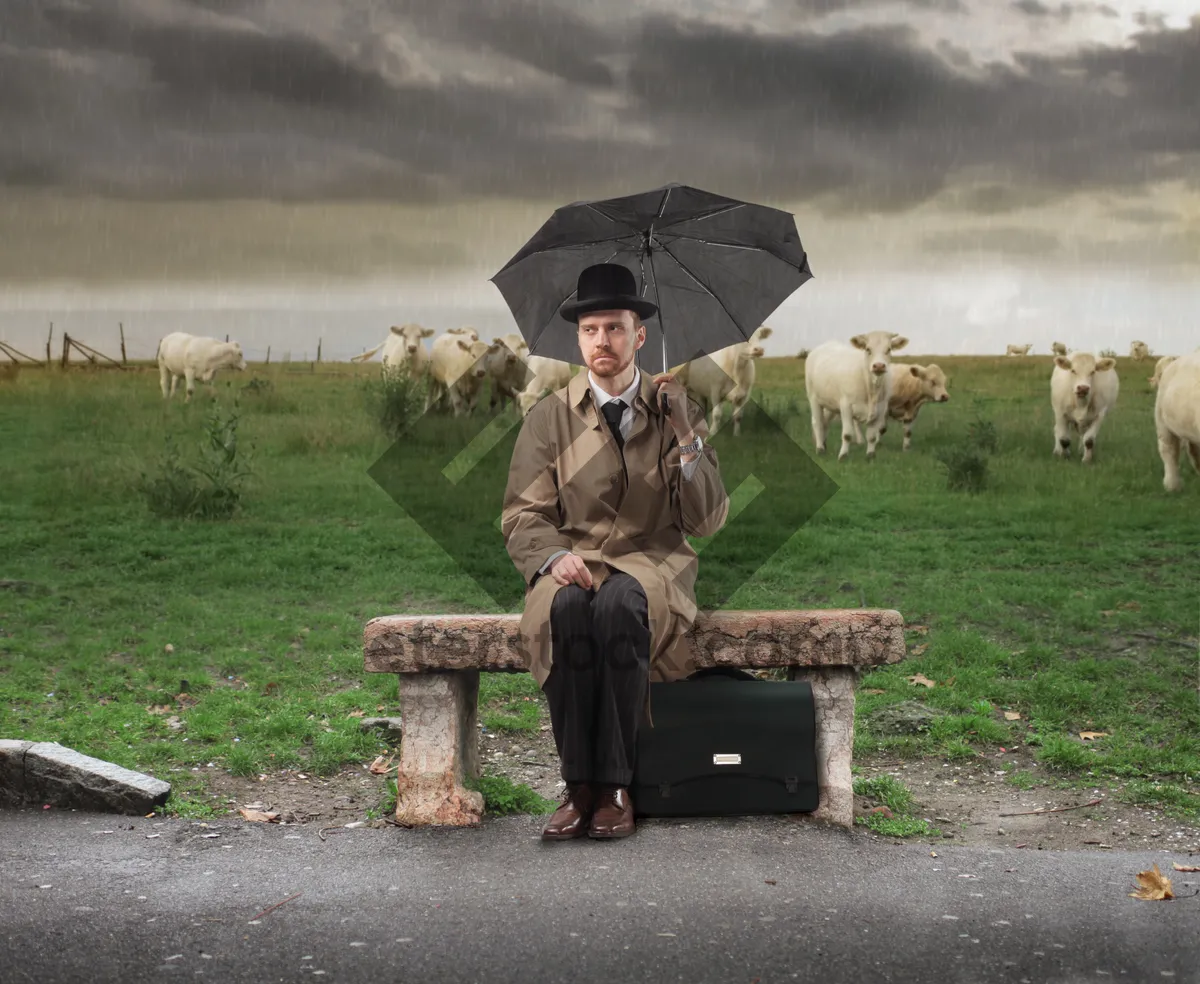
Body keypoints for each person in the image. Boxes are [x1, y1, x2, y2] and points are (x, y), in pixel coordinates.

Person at [500, 262, 730, 841]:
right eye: (592, 330)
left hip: (653, 563)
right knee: (569, 610)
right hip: (572, 560)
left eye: (616, 328)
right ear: (579, 338)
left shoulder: (676, 411)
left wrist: (685, 435)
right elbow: (523, 515)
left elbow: (705, 521)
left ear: (640, 335)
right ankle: (579, 787)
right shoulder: (549, 417)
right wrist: (552, 558)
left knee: (620, 607)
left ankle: (617, 786)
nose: (603, 341)